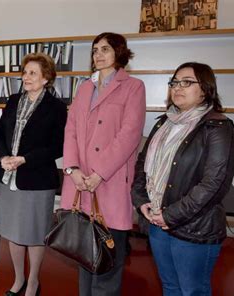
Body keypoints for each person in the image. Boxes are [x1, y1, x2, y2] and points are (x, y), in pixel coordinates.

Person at [132, 62, 234, 295]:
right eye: (175, 82)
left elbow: (214, 183)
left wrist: (171, 215)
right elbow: (142, 166)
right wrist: (141, 201)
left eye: (187, 82)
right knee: (170, 287)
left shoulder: (218, 126)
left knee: (192, 291)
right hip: (158, 222)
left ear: (205, 89)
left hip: (194, 227)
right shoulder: (163, 122)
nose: (178, 87)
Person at [61, 32, 146, 295]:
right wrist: (72, 168)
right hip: (80, 182)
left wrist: (100, 173)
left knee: (108, 259)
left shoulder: (133, 87)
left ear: (119, 53)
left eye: (105, 49)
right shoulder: (84, 87)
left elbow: (129, 135)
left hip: (109, 181)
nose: (98, 54)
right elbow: (71, 129)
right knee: (84, 255)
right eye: (95, 50)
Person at [0, 52, 67, 296]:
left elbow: (57, 146)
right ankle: (19, 279)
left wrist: (24, 159)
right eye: (24, 72)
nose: (26, 77)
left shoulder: (56, 107)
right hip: (8, 177)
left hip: (37, 179)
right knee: (14, 231)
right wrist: (4, 156)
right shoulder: (14, 100)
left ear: (46, 78)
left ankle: (33, 282)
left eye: (33, 73)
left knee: (35, 233)